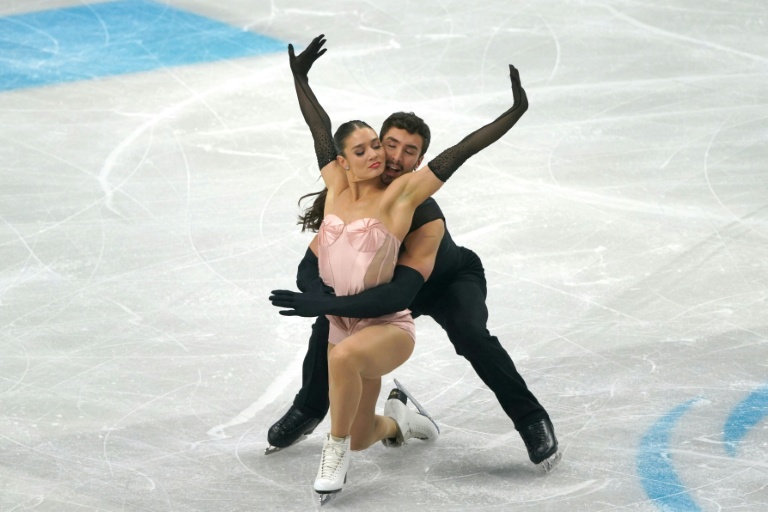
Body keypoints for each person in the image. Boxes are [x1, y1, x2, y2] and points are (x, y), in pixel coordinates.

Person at [269, 35, 560, 474]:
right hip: (385, 289)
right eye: (390, 144)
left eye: (411, 152)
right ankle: (311, 409)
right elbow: (316, 254)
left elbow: (405, 287)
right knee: (327, 324)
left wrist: (513, 113)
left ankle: (532, 419)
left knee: (471, 337)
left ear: (420, 160)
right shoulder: (349, 193)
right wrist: (319, 297)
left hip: (442, 282)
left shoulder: (423, 213)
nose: (397, 157)